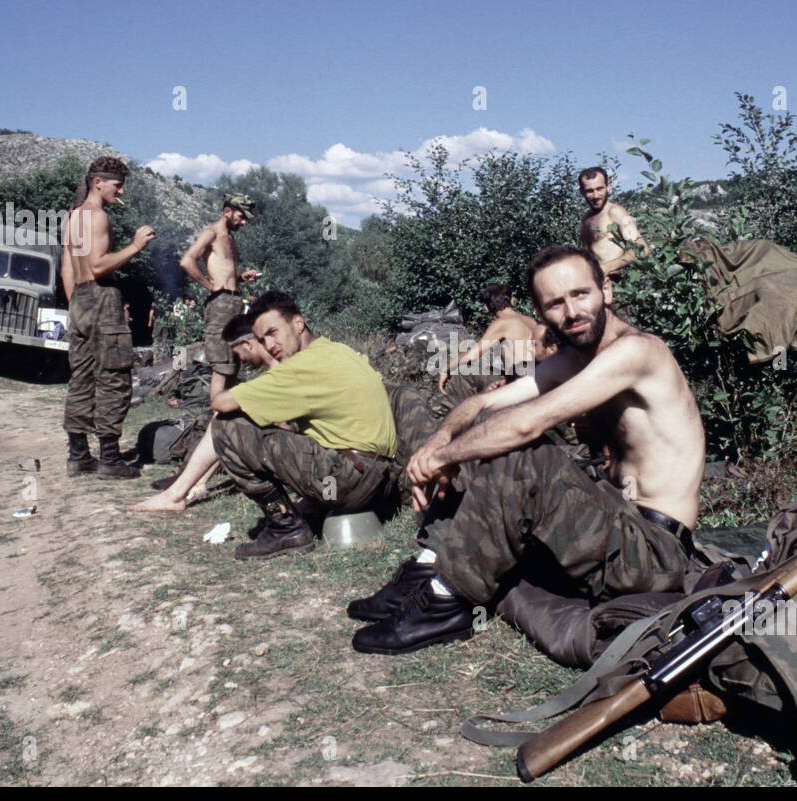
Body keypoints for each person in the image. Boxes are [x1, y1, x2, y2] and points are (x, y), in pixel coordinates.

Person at [349, 244, 705, 656]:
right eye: (555, 303)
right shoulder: (576, 358)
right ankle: (432, 564)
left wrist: (443, 459)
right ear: (539, 312)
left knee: (523, 452)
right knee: (483, 432)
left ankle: (445, 601)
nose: (571, 312)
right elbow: (481, 404)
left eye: (580, 294)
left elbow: (527, 422)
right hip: (615, 520)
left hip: (654, 551)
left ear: (606, 290)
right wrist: (437, 443)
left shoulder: (638, 351)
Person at [204, 292, 399, 560]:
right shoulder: (338, 350)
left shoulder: (300, 368)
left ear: (298, 323)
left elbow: (221, 404)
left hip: (345, 484)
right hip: (382, 480)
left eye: (273, 332)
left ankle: (285, 528)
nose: (270, 344)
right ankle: (313, 510)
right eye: (262, 340)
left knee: (227, 427)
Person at [60, 156, 156, 478]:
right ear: (97, 182)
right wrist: (135, 246)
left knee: (81, 379)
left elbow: (67, 267)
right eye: (117, 185)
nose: (121, 192)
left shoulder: (73, 217)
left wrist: (78, 303)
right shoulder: (97, 217)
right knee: (114, 378)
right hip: (101, 295)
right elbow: (99, 265)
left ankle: (78, 456)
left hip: (80, 300)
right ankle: (111, 460)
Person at [132, 313, 278, 514]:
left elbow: (219, 404)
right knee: (230, 418)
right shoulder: (279, 366)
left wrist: (221, 378)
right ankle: (193, 485)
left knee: (228, 416)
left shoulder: (282, 371)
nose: (240, 361)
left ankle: (179, 492)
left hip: (313, 459)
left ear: (248, 344)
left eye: (238, 353)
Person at [179, 194, 260, 403]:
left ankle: (226, 416)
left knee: (234, 360)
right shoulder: (212, 234)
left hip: (233, 301)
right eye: (241, 217)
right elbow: (187, 261)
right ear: (227, 212)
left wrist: (241, 277)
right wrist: (209, 286)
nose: (243, 223)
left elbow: (225, 273)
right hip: (221, 303)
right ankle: (215, 417)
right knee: (222, 365)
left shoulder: (230, 238)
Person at [438, 283, 543, 403]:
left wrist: (446, 369)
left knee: (464, 372)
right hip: (538, 381)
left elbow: (472, 355)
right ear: (512, 300)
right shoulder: (531, 321)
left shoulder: (503, 323)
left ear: (486, 308)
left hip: (520, 384)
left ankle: (455, 411)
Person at [577, 166, 648, 281]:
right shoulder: (586, 218)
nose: (595, 195)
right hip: (594, 283)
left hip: (615, 283)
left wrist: (607, 267)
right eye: (590, 191)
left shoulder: (615, 212)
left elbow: (642, 249)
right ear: (582, 191)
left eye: (599, 188)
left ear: (608, 187)